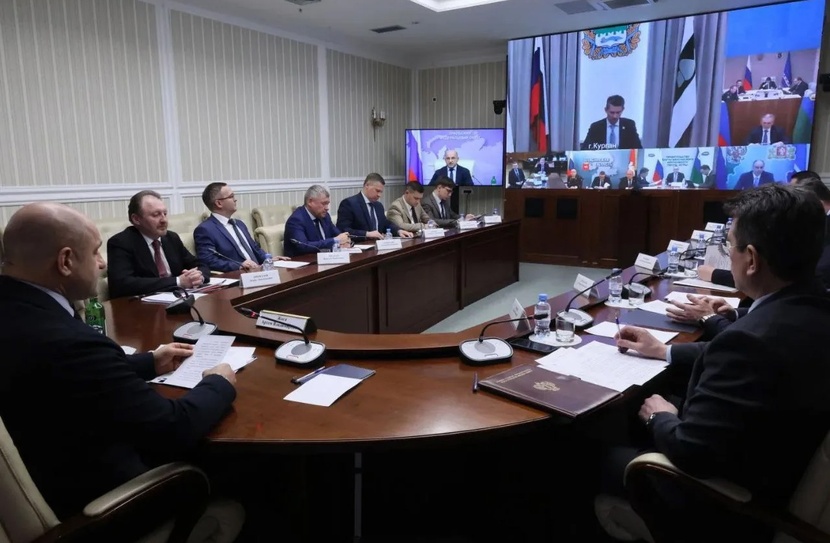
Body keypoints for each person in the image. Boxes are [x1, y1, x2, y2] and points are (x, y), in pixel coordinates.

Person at [0, 203, 240, 532]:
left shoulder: (18, 310)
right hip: (102, 504)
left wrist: (148, 361)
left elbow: (65, 373)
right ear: (65, 261)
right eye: (95, 252)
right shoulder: (69, 341)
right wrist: (219, 382)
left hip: (44, 462)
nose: (102, 264)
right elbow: (173, 430)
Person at [610, 184, 830, 541]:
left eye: (730, 245)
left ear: (752, 259)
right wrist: (662, 351)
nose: (728, 254)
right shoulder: (813, 306)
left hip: (729, 504)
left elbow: (692, 452)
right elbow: (745, 354)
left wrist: (659, 416)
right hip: (778, 455)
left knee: (589, 453)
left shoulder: (751, 342)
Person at [107, 190, 210, 299]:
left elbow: (199, 265)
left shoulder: (171, 238)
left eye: (165, 214)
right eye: (156, 215)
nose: (164, 220)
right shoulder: (121, 242)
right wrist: (178, 281)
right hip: (142, 305)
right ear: (136, 219)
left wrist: (199, 276)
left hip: (178, 299)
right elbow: (122, 284)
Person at [194, 182, 287, 272]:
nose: (235, 200)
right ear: (219, 203)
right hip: (239, 275)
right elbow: (208, 261)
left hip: (260, 272)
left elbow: (255, 248)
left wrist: (268, 259)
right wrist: (239, 265)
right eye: (231, 196)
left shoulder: (239, 224)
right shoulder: (205, 230)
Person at [337, 173, 413, 239]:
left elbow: (385, 224)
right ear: (367, 185)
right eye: (377, 191)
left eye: (381, 192)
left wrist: (398, 231)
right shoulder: (349, 204)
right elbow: (343, 230)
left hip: (379, 245)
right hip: (360, 246)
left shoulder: (378, 206)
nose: (379, 195)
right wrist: (367, 234)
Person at [284, 184, 350, 257]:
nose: (327, 208)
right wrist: (335, 240)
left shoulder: (325, 216)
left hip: (326, 258)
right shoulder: (296, 220)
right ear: (310, 202)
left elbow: (338, 235)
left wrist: (345, 240)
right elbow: (303, 246)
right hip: (304, 261)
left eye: (327, 204)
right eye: (323, 204)